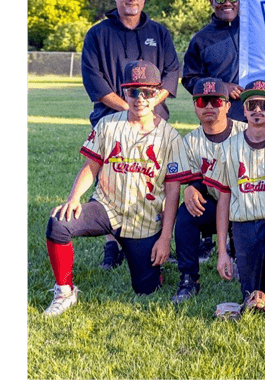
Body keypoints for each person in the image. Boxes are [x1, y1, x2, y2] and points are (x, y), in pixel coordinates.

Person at [44, 60, 184, 316]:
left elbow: (173, 192)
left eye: (147, 91)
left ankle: (150, 267)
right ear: (123, 91)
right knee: (58, 223)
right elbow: (91, 167)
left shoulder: (171, 137)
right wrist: (74, 198)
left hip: (144, 221)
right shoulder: (108, 125)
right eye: (133, 91)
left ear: (158, 93)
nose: (140, 98)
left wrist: (165, 239)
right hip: (106, 208)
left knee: (146, 289)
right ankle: (65, 291)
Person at [81, 0, 181, 270]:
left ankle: (159, 241)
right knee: (112, 183)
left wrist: (146, 106)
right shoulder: (98, 34)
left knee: (157, 182)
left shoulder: (159, 33)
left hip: (154, 120)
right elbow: (94, 79)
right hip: (110, 118)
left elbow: (172, 73)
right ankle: (113, 245)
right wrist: (129, 109)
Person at [203, 80, 265, 318]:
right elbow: (224, 200)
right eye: (252, 105)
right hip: (244, 222)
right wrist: (222, 251)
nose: (258, 110)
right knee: (252, 296)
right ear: (245, 109)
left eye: (264, 105)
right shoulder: (229, 148)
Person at [170, 78, 247, 303]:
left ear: (227, 105)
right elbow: (196, 179)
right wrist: (191, 189)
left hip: (250, 208)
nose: (210, 107)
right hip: (216, 207)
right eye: (203, 101)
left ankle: (241, 257)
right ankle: (188, 278)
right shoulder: (191, 141)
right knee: (187, 213)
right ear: (195, 106)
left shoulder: (245, 132)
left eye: (216, 101)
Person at [182, 0, 245, 122]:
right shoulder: (201, 39)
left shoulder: (253, 30)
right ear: (212, 2)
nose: (227, 3)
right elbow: (189, 79)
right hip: (217, 118)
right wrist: (220, 87)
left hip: (255, 116)